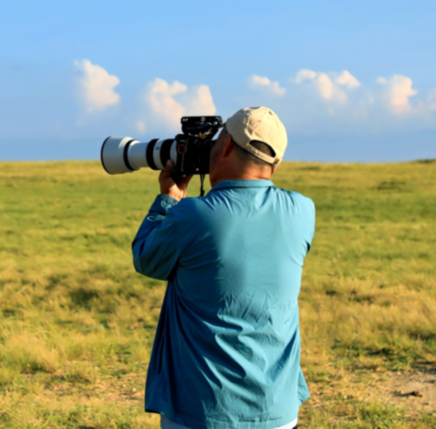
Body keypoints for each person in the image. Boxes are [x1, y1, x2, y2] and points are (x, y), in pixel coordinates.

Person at [131, 106, 315, 429]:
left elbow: (146, 257)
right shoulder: (302, 211)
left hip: (203, 412)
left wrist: (168, 201)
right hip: (278, 412)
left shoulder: (193, 215)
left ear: (227, 145)